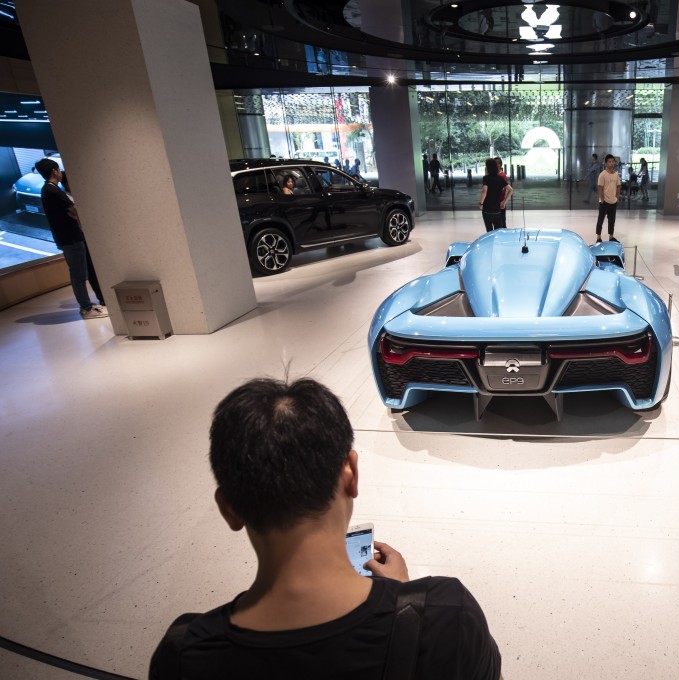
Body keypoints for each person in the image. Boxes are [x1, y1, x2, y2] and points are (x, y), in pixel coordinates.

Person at [149, 377, 502, 679]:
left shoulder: (183, 654)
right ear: (351, 474)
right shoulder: (447, 617)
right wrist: (405, 602)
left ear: (228, 509)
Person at [35, 158, 107, 319]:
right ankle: (87, 308)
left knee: (80, 272)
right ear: (54, 171)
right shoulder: (52, 190)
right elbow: (74, 212)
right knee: (79, 274)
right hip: (71, 238)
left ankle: (89, 305)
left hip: (69, 237)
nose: (60, 172)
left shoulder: (48, 190)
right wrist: (74, 214)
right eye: (58, 169)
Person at [479, 157, 512, 231]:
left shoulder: (486, 178)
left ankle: (491, 242)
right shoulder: (500, 179)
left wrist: (481, 203)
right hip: (497, 209)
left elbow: (484, 191)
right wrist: (504, 202)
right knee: (498, 230)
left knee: (489, 230)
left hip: (487, 209)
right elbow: (511, 190)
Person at [594, 153, 621, 243]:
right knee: (600, 220)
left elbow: (618, 186)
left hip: (613, 202)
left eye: (613, 161)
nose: (611, 163)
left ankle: (611, 237)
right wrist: (602, 200)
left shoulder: (616, 174)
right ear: (606, 163)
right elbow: (600, 187)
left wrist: (617, 198)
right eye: (609, 162)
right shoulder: (603, 174)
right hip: (604, 202)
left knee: (612, 220)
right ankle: (598, 237)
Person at [496, 156, 511, 227]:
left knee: (501, 223)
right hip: (497, 202)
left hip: (500, 203)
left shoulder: (502, 176)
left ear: (499, 165)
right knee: (499, 222)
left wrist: (504, 201)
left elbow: (508, 190)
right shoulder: (498, 175)